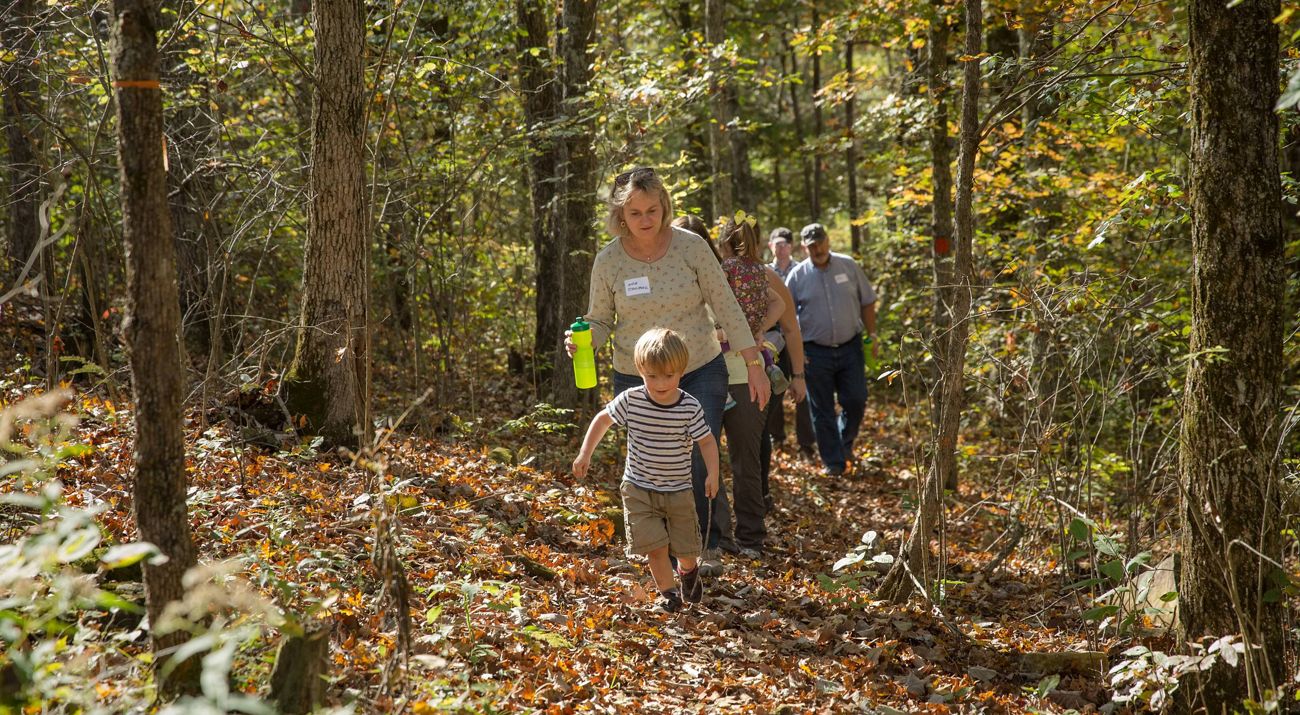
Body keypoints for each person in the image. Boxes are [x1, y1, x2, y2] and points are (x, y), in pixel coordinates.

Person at [570, 167, 770, 577]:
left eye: (653, 210)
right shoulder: (608, 261)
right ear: (620, 215)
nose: (646, 220)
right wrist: (584, 339)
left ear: (665, 206)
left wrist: (754, 365)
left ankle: (701, 547)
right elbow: (601, 321)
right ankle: (659, 548)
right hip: (637, 374)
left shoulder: (691, 247)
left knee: (697, 453)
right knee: (651, 464)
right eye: (636, 212)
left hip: (698, 367)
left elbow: (727, 307)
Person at [572, 329, 719, 613]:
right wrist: (585, 453)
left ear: (682, 371)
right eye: (652, 376)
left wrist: (712, 473)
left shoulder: (689, 407)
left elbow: (707, 441)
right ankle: (669, 594)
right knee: (655, 546)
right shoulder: (631, 400)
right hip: (639, 488)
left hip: (678, 490)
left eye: (669, 375)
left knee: (687, 550)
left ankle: (688, 572)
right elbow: (602, 420)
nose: (661, 383)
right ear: (640, 371)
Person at [784, 223, 877, 476]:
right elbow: (787, 318)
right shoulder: (798, 276)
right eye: (811, 245)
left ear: (828, 240)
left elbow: (867, 301)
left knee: (856, 400)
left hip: (851, 347)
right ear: (804, 248)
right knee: (822, 409)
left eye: (821, 242)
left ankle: (844, 443)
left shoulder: (848, 265)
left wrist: (873, 335)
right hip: (815, 352)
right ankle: (834, 462)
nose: (818, 248)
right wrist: (797, 355)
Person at [766, 227, 816, 456]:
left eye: (786, 244)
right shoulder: (764, 272)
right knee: (774, 385)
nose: (782, 248)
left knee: (800, 385)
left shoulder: (802, 270)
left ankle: (806, 442)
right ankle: (776, 437)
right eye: (778, 244)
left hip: (797, 337)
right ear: (770, 246)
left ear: (792, 246)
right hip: (773, 339)